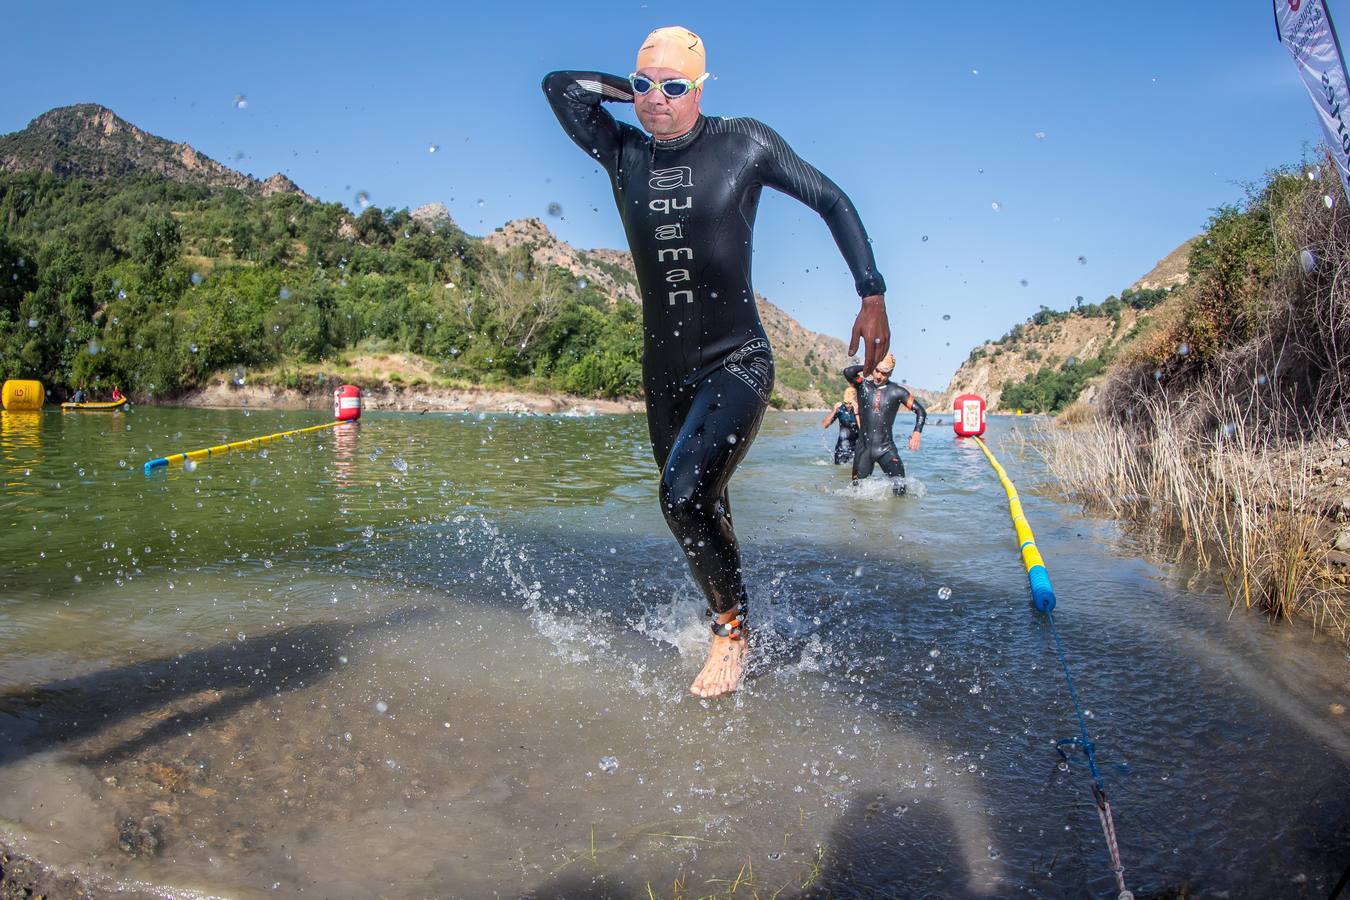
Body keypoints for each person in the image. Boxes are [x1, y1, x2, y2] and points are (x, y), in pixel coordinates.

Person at [543, 26, 891, 697]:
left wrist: (870, 294)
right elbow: (559, 87)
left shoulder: (743, 142)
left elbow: (832, 199)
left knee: (680, 496)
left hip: (737, 360)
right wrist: (633, 91)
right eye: (644, 86)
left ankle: (730, 633)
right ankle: (738, 622)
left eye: (674, 86)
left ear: (701, 89)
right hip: (663, 376)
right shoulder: (623, 152)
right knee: (704, 508)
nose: (655, 99)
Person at [844, 354, 925, 493]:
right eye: (876, 371)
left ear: (891, 373)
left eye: (884, 373)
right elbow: (848, 372)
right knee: (856, 493)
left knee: (901, 488)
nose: (879, 376)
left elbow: (921, 411)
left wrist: (917, 432)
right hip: (863, 450)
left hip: (886, 449)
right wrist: (869, 365)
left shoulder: (898, 392)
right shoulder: (862, 385)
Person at [821, 387, 860, 465]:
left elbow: (864, 430)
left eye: (850, 403)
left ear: (855, 400)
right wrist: (834, 411)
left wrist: (856, 413)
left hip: (857, 448)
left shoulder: (860, 409)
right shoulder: (840, 409)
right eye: (845, 403)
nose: (848, 405)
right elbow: (824, 425)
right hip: (841, 449)